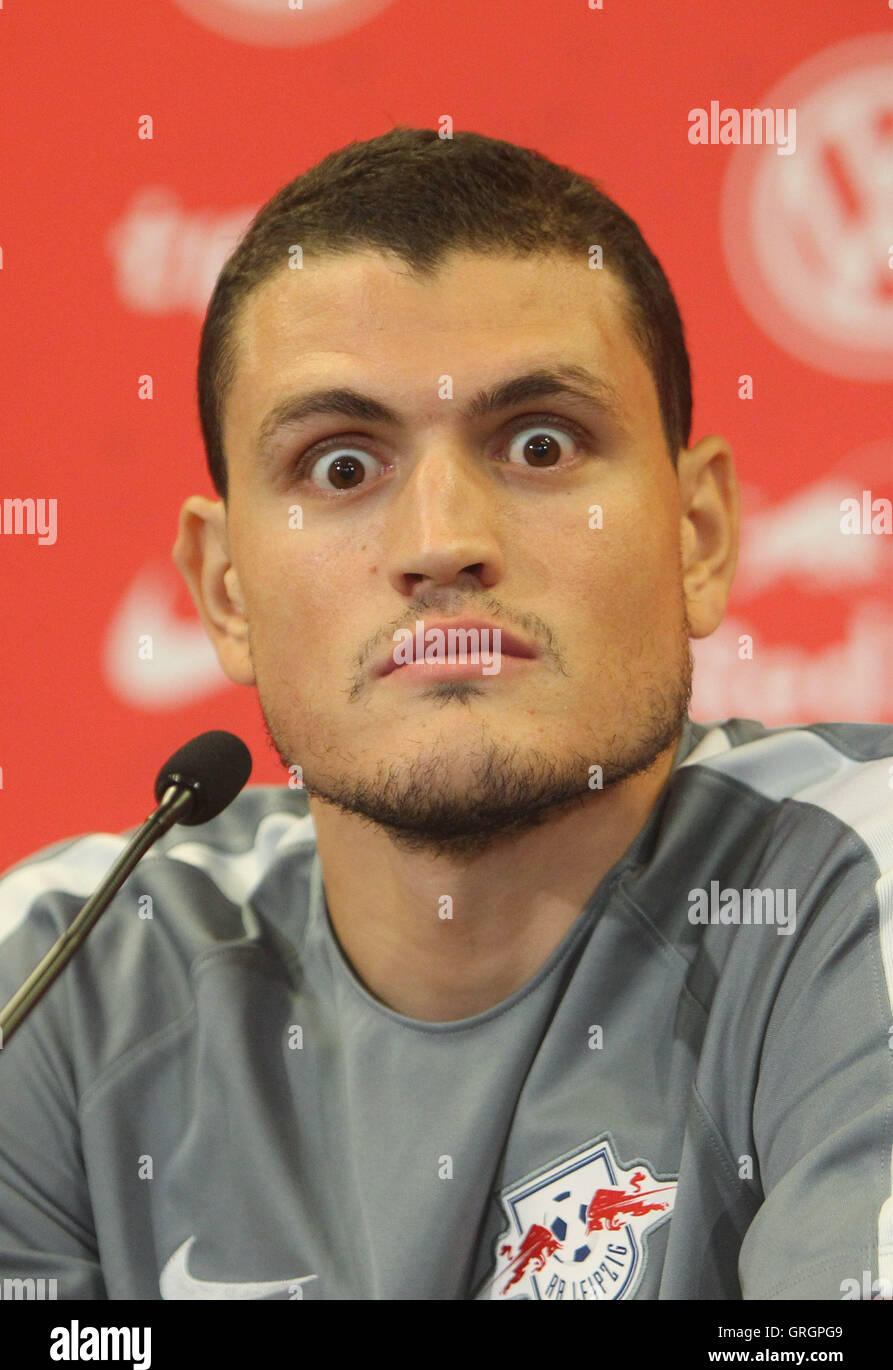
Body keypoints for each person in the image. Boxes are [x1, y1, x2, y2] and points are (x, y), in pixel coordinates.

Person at [0, 127, 890, 1302]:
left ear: (698, 535)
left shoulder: (850, 891)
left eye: (538, 443)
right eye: (339, 467)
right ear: (225, 591)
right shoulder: (61, 975)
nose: (439, 544)